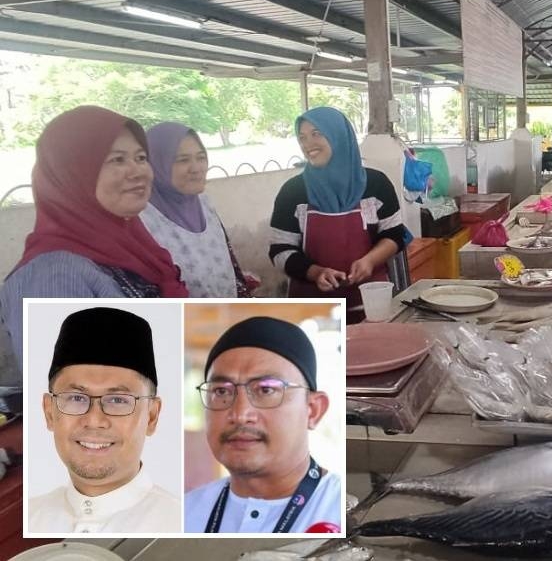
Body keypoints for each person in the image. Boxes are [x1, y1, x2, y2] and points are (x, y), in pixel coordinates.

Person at [1, 106, 187, 372]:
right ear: (71, 175)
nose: (138, 171)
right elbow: (70, 398)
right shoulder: (53, 277)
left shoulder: (136, 248)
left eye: (141, 157)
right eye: (117, 160)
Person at [29, 307, 180, 533]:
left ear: (151, 416)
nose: (95, 420)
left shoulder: (182, 523)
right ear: (49, 412)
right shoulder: (29, 516)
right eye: (76, 398)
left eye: (118, 400)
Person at [185, 316, 340, 533]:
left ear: (313, 410)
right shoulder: (182, 514)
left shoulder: (344, 511)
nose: (240, 414)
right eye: (221, 391)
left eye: (266, 390)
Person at [268, 107, 406, 322]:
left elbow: (395, 235)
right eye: (302, 137)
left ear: (339, 136)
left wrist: (370, 261)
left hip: (370, 306)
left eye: (317, 134)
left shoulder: (376, 184)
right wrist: (316, 272)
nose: (308, 144)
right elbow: (279, 251)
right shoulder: (293, 192)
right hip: (315, 313)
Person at [140, 122, 254, 298]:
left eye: (201, 157)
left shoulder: (204, 204)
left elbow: (231, 265)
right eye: (183, 160)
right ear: (156, 164)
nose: (196, 168)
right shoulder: (143, 220)